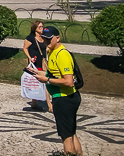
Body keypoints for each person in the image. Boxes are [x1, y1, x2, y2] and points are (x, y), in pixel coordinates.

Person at [33, 26, 82, 156]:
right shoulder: (51, 51)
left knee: (66, 137)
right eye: (44, 39)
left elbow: (68, 81)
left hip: (64, 98)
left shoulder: (62, 54)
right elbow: (54, 74)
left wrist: (47, 80)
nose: (46, 41)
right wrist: (40, 73)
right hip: (62, 97)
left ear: (58, 38)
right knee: (71, 132)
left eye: (49, 39)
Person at [23, 20, 51, 112]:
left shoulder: (43, 37)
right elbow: (25, 48)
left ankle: (48, 104)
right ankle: (36, 103)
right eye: (40, 27)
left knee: (46, 82)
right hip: (35, 64)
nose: (42, 28)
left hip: (43, 63)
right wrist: (30, 58)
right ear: (35, 29)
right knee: (36, 83)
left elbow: (45, 48)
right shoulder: (31, 38)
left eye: (42, 26)